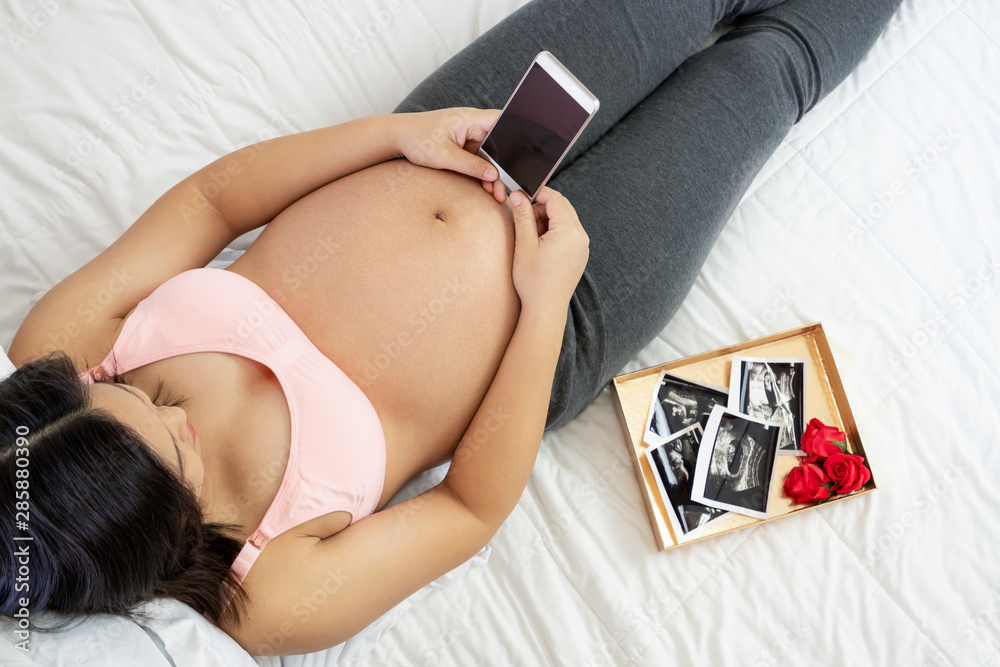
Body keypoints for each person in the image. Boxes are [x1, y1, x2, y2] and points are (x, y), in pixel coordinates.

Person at [0, 0, 903, 656]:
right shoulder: (265, 595)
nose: (174, 410)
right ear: (159, 538)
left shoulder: (60, 351)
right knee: (770, 70)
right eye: (174, 447)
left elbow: (211, 201)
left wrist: (401, 135)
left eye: (132, 392)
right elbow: (465, 509)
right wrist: (546, 299)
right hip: (572, 301)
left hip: (459, 136)